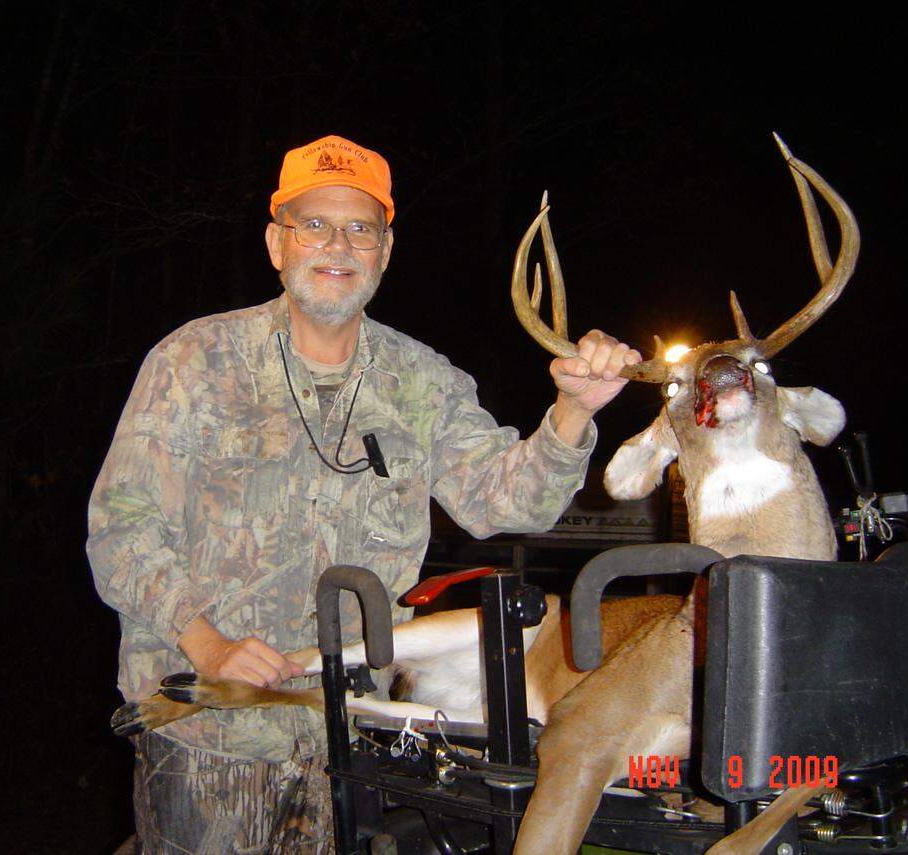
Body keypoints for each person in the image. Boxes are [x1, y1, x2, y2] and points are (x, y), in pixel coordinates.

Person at [87, 134, 640, 854]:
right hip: (207, 735)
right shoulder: (195, 361)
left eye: (361, 228)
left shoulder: (422, 382)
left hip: (353, 743)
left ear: (385, 250)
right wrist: (210, 644)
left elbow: (508, 502)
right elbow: (121, 529)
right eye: (313, 223)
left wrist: (573, 412)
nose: (337, 244)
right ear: (276, 244)